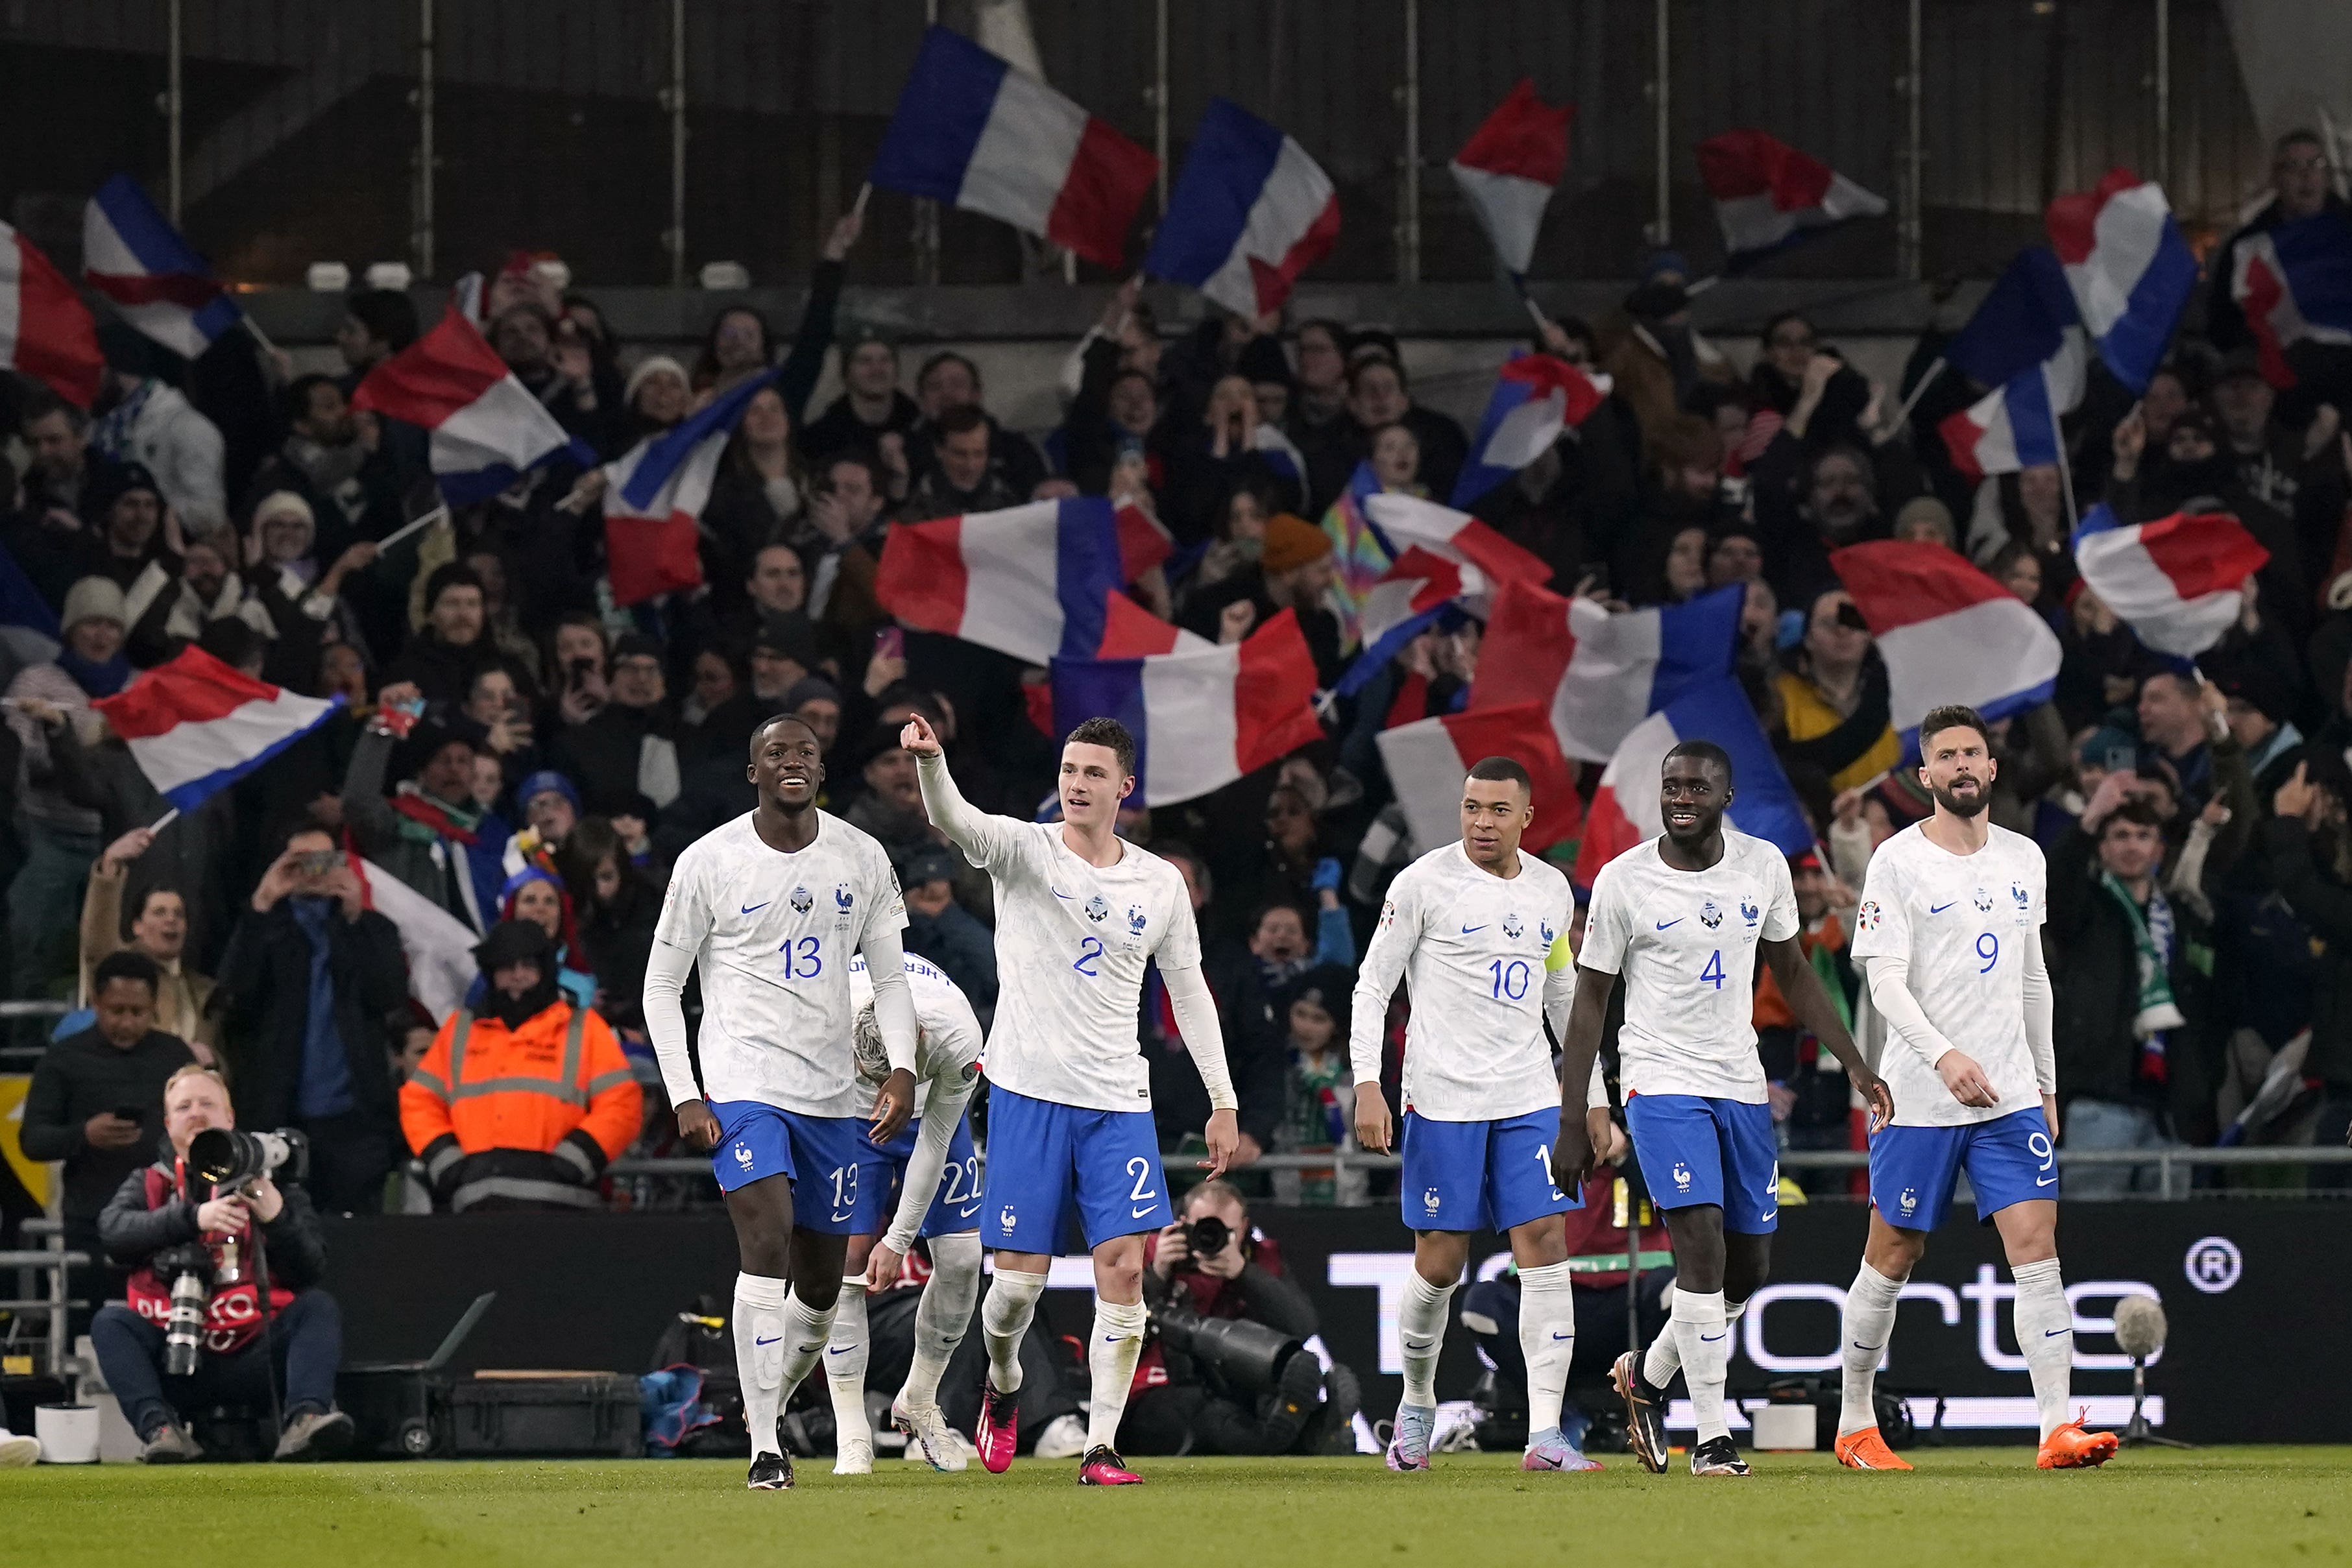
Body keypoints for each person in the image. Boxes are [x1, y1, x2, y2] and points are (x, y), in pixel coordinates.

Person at [902, 711, 1239, 1487]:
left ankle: (1101, 1445)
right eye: (1068, 770)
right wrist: (932, 762)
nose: (1076, 784)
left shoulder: (1159, 882)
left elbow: (1187, 990)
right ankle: (1005, 1382)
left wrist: (1221, 1096)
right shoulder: (1024, 848)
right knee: (1014, 1292)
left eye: (1093, 773)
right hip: (1026, 1093)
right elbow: (952, 817)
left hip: (1118, 1100)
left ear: (1124, 787)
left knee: (1122, 1269)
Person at [1554, 741, 1891, 1478]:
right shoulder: (1622, 880)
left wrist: (1858, 1063)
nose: (1681, 797)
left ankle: (1645, 1377)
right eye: (1671, 785)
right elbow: (1588, 1002)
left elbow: (1793, 973)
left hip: (1739, 1080)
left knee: (1747, 1268)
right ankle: (1711, 1436)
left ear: (1725, 796)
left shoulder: (1762, 866)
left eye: (1696, 786)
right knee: (1699, 1246)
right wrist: (1576, 1110)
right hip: (1658, 1078)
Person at [640, 713, 923, 1491]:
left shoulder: (862, 856)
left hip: (834, 1095)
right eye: (775, 752)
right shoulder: (709, 861)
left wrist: (900, 1067)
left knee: (825, 1287)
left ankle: (773, 1387)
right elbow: (662, 984)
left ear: (820, 769)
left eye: (803, 751)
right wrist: (686, 1092)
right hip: (744, 1086)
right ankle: (765, 1441)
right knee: (763, 1240)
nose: (791, 761)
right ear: (753, 773)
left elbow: (891, 979)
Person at [1835, 706, 2120, 1471]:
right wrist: (1942, 1055)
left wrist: (2046, 1079)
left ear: (1992, 768)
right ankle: (1856, 1420)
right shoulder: (1896, 862)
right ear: (1923, 776)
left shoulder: (2026, 857)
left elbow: (2032, 976)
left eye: (1973, 752)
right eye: (1946, 756)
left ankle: (2056, 1426)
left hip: (2009, 1096)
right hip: (1919, 1097)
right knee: (1892, 1254)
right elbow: (1883, 981)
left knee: (2036, 1248)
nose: (1962, 764)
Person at [1348, 756, 1611, 1473]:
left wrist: (1590, 1099)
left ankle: (1547, 1434)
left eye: (1497, 809)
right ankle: (1416, 1404)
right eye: (1471, 807)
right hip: (1442, 1099)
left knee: (1545, 1240)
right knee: (1440, 1260)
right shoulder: (1422, 883)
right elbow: (1372, 986)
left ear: (1527, 817)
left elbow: (1563, 997)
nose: (1481, 821)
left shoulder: (1551, 890)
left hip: (1527, 1096)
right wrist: (1367, 1083)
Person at [90, 1063, 351, 1463]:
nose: (196, 1113)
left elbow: (312, 1267)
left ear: (230, 1118)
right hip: (179, 1355)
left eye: (207, 1104)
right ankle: (162, 1432)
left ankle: (306, 1420)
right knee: (110, 1324)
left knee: (317, 1307)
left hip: (257, 1354)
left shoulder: (272, 1180)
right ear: (167, 1123)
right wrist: (192, 1218)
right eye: (184, 1107)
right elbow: (113, 1232)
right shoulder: (150, 1182)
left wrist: (276, 1217)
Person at [825, 953, 986, 1475]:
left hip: (933, 1107)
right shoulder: (823, 1011)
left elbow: (935, 1143)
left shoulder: (959, 1034)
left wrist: (896, 1240)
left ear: (916, 1037)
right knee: (844, 1260)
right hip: (850, 1114)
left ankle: (919, 1397)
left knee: (963, 1258)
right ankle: (852, 1434)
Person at [213, 823, 410, 1214]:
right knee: (282, 1231)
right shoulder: (265, 927)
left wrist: (357, 918)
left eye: (325, 861)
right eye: (301, 863)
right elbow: (235, 996)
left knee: (356, 1238)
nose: (314, 873)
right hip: (278, 1113)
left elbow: (389, 995)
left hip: (355, 1118)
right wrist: (262, 903)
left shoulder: (373, 928)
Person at [400, 919, 642, 1212]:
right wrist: (447, 1163)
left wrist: (577, 1158)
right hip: (476, 1208)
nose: (518, 976)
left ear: (545, 969)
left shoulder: (584, 1029)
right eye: (506, 967)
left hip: (563, 1209)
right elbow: (419, 1101)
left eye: (528, 965)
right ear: (491, 972)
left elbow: (622, 1102)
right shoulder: (460, 1030)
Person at [18, 952, 198, 1322]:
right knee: (90, 1327)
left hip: (165, 1216)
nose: (127, 1023)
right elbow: (32, 1140)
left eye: (138, 1012)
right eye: (116, 1011)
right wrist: (84, 1134)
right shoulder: (64, 1059)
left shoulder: (174, 1056)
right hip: (92, 1221)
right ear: (96, 1005)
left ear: (154, 1007)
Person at [1124, 1179, 1355, 1457]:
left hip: (1235, 1385)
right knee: (1203, 1412)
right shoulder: (1151, 1251)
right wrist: (1157, 1274)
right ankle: (1295, 1441)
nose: (1211, 1240)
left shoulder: (1258, 1258)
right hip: (1163, 1387)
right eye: (1202, 1229)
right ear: (1183, 1223)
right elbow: (1109, 1327)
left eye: (1225, 1232)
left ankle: (1317, 1426)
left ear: (1244, 1228)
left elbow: (1303, 1326)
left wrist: (1244, 1274)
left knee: (1270, 1395)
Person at [79, 826, 217, 1059]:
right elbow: (97, 942)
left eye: (178, 914)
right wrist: (110, 866)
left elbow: (222, 1056)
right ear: (137, 926)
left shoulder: (204, 991)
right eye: (159, 912)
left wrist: (214, 1065)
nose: (171, 920)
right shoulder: (120, 974)